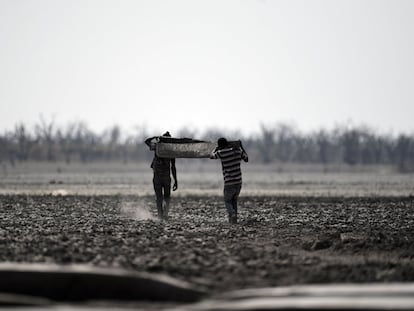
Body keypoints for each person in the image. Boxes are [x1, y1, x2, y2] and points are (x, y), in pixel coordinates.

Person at [210, 137, 248, 224]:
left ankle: (232, 214)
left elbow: (211, 156)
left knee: (227, 201)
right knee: (234, 200)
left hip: (229, 182)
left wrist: (216, 148)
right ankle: (234, 220)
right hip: (238, 182)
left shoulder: (221, 153)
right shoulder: (237, 151)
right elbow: (246, 159)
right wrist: (241, 147)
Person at [145, 131, 178, 220]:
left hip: (158, 177)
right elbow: (173, 167)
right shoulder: (171, 151)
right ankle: (164, 215)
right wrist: (176, 180)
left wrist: (155, 137)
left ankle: (160, 215)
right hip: (166, 177)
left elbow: (147, 141)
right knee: (166, 197)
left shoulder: (157, 147)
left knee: (159, 197)